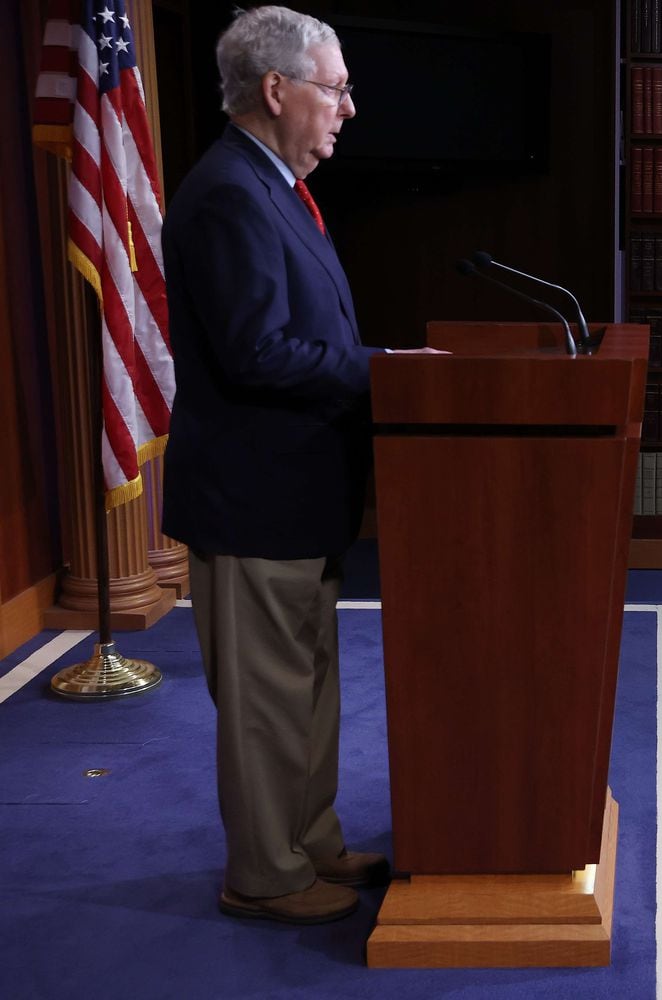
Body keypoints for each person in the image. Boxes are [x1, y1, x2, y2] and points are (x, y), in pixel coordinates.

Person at [162, 6, 438, 924]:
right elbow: (257, 354)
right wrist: (385, 373)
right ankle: (265, 876)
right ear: (276, 91)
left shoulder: (272, 184)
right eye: (336, 86)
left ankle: (308, 843)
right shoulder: (230, 193)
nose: (348, 108)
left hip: (297, 496)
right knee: (265, 703)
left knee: (306, 689)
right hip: (252, 500)